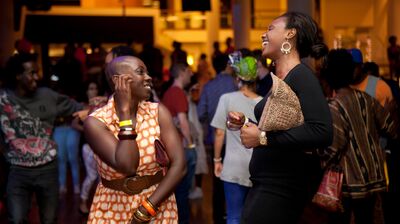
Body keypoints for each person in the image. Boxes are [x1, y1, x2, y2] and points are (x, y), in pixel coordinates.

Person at [227, 12, 333, 223]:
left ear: (290, 34)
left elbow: (322, 131)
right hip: (269, 182)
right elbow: (283, 127)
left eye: (271, 28)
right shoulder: (283, 79)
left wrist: (262, 137)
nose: (263, 35)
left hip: (282, 185)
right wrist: (248, 125)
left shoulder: (302, 76)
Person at [84, 56, 186, 223]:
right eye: (140, 72)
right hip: (112, 208)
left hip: (158, 203)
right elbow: (128, 165)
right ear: (118, 81)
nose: (149, 77)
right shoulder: (96, 122)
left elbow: (179, 165)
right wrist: (125, 114)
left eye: (147, 72)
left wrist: (148, 208)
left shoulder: (158, 112)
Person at [0, 53, 83, 223]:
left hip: (47, 169)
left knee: (49, 219)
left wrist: (100, 105)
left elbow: (80, 108)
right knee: (16, 219)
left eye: (37, 72)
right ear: (18, 75)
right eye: (32, 73)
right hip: (17, 171)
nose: (37, 77)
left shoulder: (47, 95)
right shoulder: (3, 99)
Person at [320, 49, 399, 224]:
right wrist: (391, 111)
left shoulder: (334, 106)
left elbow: (334, 147)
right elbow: (391, 128)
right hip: (373, 175)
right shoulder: (366, 98)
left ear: (329, 76)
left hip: (350, 181)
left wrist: (318, 162)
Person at [211, 53, 263, 224]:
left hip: (232, 167)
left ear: (237, 77)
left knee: (234, 216)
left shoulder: (227, 99)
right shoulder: (263, 103)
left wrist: (217, 160)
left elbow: (220, 133)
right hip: (257, 169)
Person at [197, 53, 237, 224]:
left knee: (218, 183)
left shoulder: (209, 87)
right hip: (237, 140)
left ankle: (218, 218)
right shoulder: (237, 85)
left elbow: (200, 114)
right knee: (237, 182)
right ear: (228, 64)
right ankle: (235, 217)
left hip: (217, 141)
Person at [162, 63, 196, 224]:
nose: (191, 74)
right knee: (182, 192)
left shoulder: (170, 93)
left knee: (176, 192)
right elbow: (183, 122)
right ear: (181, 73)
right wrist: (190, 145)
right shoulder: (177, 93)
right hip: (180, 148)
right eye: (189, 71)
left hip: (170, 148)